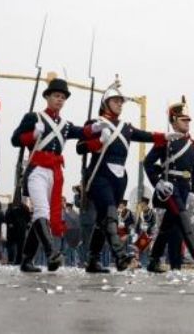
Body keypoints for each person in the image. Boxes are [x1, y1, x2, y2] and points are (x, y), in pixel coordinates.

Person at [76, 77, 180, 273]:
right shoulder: (96, 123)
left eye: (121, 102)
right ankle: (120, 256)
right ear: (106, 103)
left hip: (119, 179)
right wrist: (99, 142)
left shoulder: (126, 127)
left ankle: (92, 260)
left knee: (102, 220)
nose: (119, 104)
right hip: (99, 175)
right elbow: (80, 147)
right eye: (116, 101)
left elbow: (145, 135)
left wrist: (164, 136)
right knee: (110, 214)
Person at [12, 78, 107, 272]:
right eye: (56, 96)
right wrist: (32, 135)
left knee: (41, 214)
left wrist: (95, 128)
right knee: (41, 211)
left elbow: (82, 132)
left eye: (63, 97)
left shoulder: (64, 125)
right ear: (47, 97)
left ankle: (27, 260)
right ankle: (51, 253)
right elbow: (15, 140)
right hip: (36, 170)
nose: (59, 100)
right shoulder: (33, 117)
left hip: (54, 173)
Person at [143, 96, 194, 273]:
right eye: (183, 119)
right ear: (173, 121)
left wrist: (193, 192)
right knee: (182, 217)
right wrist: (157, 182)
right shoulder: (166, 140)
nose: (187, 123)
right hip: (169, 188)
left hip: (184, 189)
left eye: (188, 120)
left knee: (171, 227)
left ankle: (158, 261)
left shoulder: (192, 144)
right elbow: (148, 163)